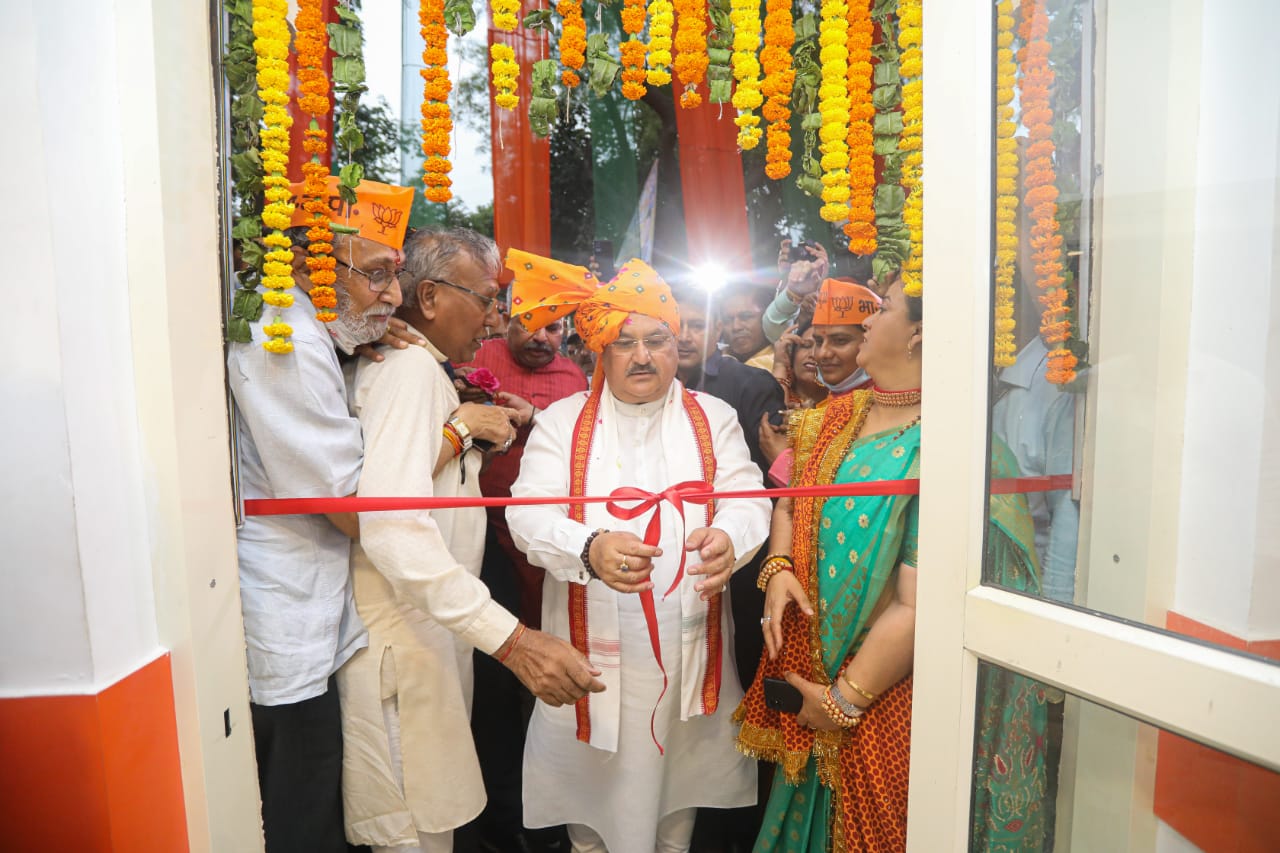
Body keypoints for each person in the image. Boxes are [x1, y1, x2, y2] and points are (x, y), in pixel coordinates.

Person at [736, 275, 1047, 851]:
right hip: (812, 683)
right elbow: (792, 499)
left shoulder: (950, 444)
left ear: (918, 337)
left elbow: (918, 599)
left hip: (887, 697)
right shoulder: (836, 415)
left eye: (884, 311)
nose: (870, 320)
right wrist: (778, 568)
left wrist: (841, 704)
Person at [337, 227, 605, 853]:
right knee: (415, 835)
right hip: (403, 647)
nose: (495, 318)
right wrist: (514, 643)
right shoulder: (408, 371)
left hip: (429, 639)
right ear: (427, 297)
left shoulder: (424, 367)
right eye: (485, 299)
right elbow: (394, 530)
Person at [504, 250, 773, 853]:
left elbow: (750, 498)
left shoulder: (714, 417)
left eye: (658, 339)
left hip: (688, 650)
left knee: (675, 811)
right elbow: (525, 513)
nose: (644, 356)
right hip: (592, 653)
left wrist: (731, 536)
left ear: (679, 347)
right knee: (590, 817)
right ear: (600, 350)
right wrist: (589, 546)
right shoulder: (561, 421)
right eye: (626, 343)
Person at [226, 177, 412, 853]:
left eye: (397, 275)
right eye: (377, 275)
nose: (393, 297)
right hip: (287, 625)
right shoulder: (280, 332)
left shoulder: (310, 328)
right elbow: (350, 511)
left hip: (312, 612)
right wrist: (455, 437)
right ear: (310, 266)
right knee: (302, 821)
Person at [461, 307, 589, 852]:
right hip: (481, 535)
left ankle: (556, 809)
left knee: (554, 664)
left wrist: (534, 417)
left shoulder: (574, 379)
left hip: (550, 545)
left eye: (554, 328)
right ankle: (504, 816)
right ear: (503, 323)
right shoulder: (475, 357)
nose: (541, 337)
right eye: (529, 324)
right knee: (494, 674)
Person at [721, 283, 782, 372]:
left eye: (746, 317)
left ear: (768, 318)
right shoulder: (718, 355)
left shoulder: (776, 363)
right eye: (728, 320)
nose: (736, 327)